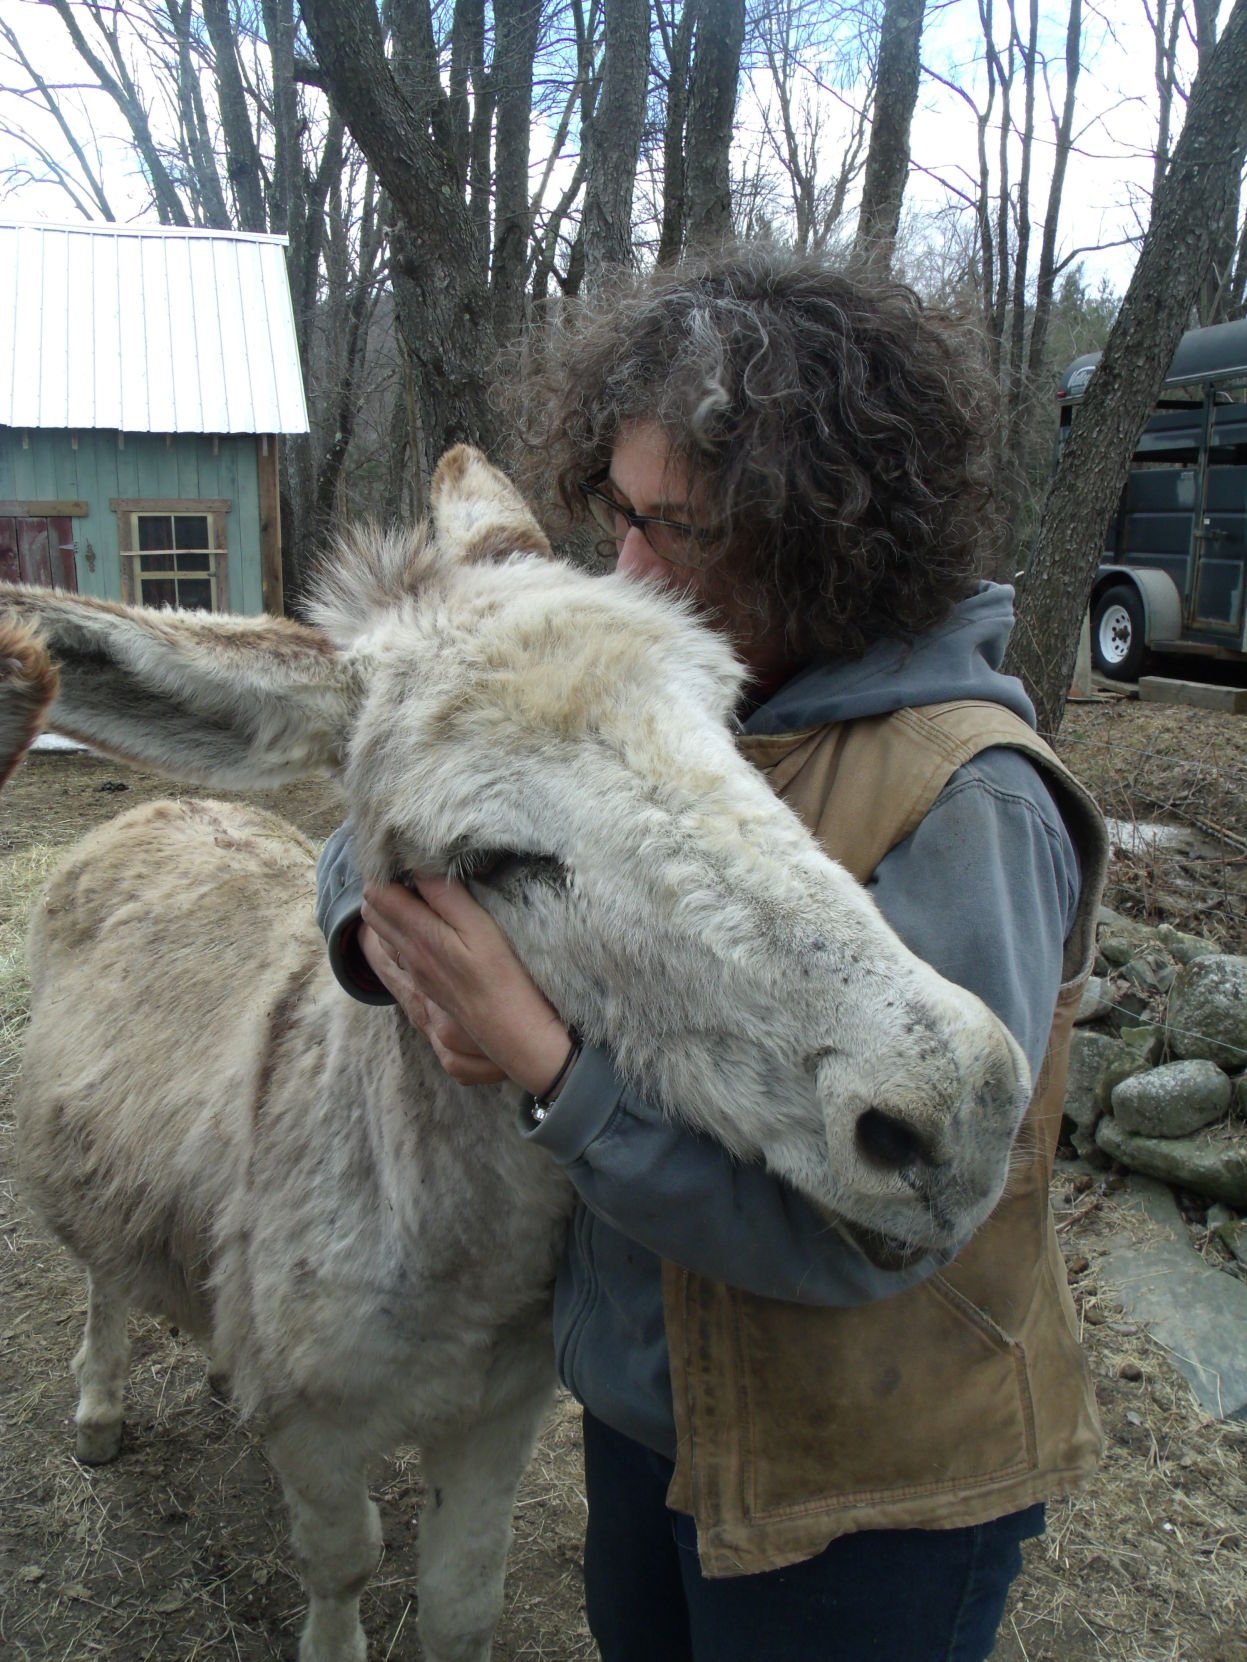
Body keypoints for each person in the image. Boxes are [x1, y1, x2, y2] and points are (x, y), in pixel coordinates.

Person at [314, 245, 1107, 1662]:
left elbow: (891, 1217)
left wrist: (552, 1068)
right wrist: (400, 958)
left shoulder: (972, 795)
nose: (626, 568)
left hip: (870, 1484)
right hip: (652, 1412)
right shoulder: (675, 677)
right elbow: (415, 781)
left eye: (681, 529)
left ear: (820, 534)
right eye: (619, 511)